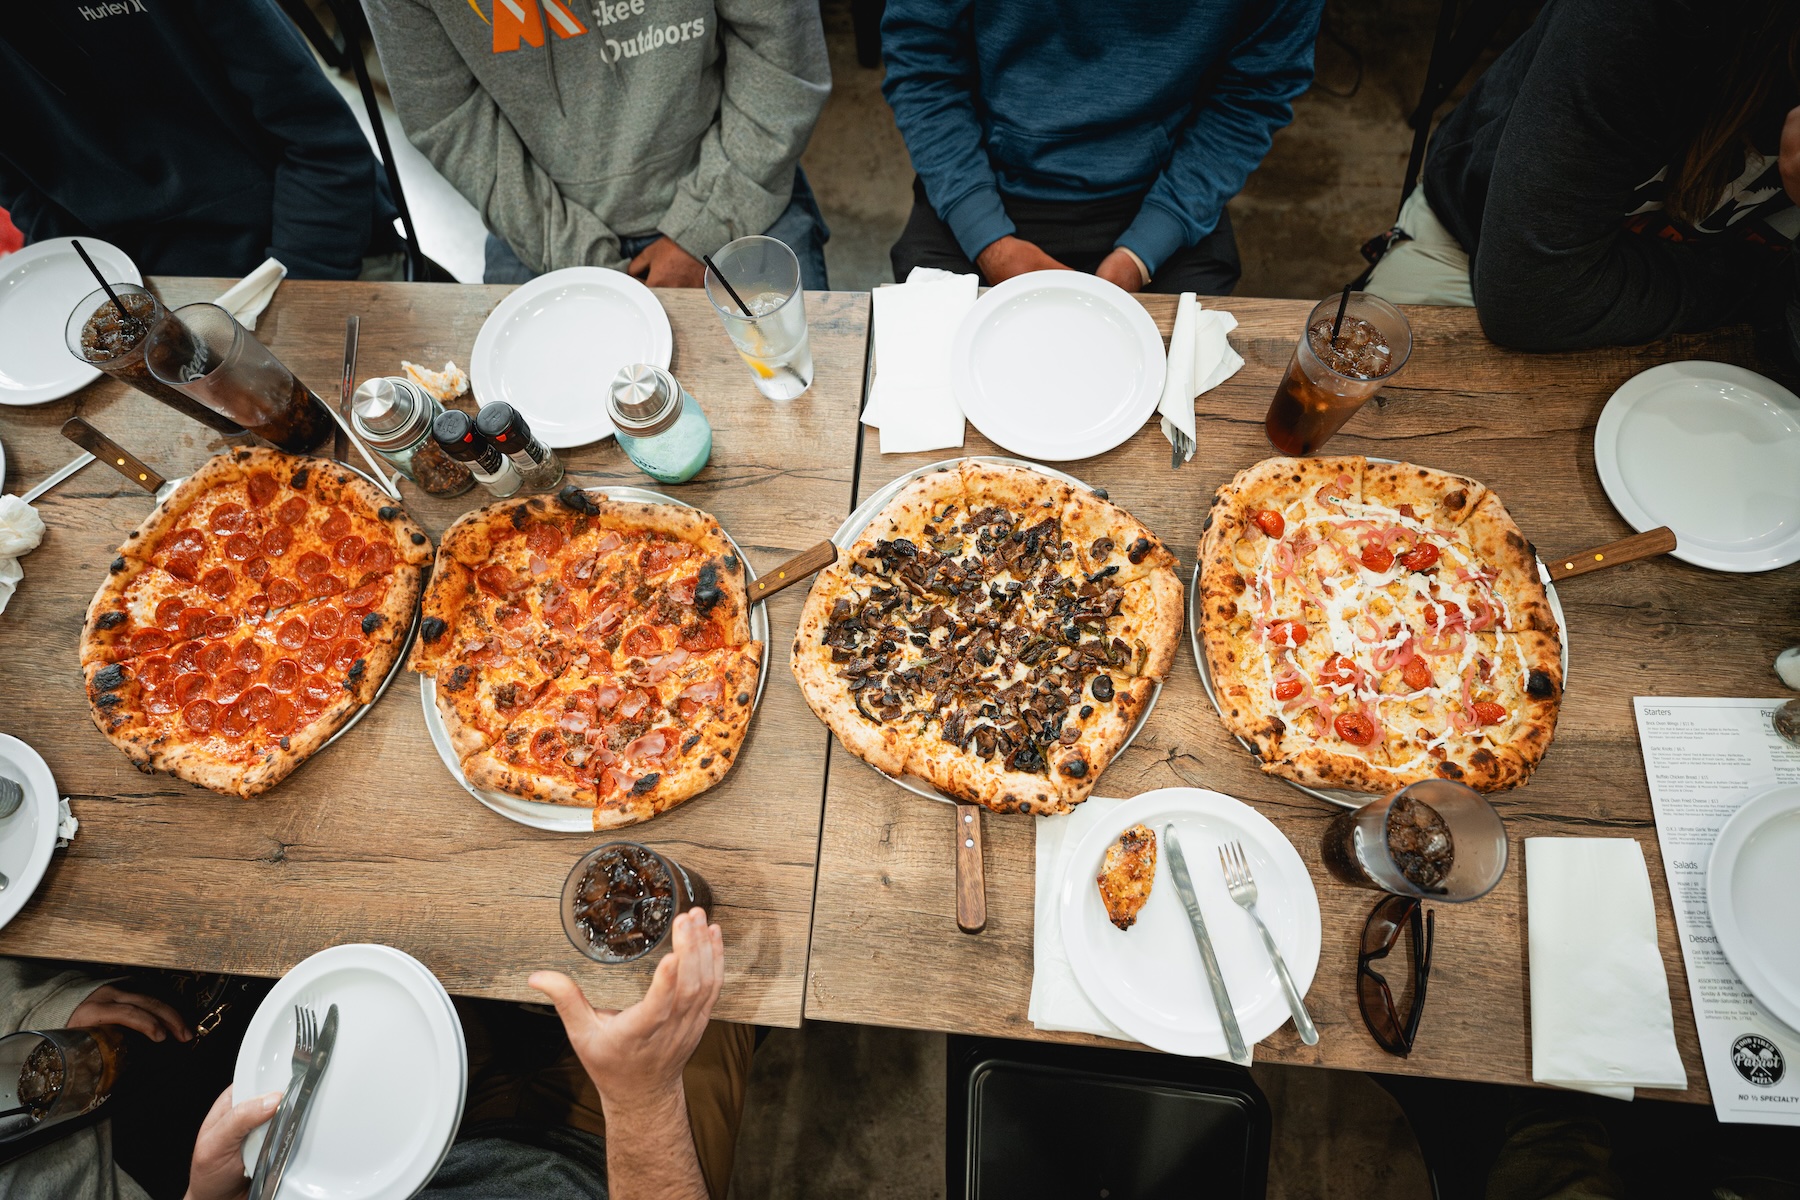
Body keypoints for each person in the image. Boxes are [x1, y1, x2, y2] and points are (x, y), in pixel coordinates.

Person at [0, 908, 748, 1200]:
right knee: (725, 961)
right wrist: (642, 1098)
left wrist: (209, 1192)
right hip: (605, 1159)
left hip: (392, 1132)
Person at [1364, 0, 1800, 357]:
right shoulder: (1652, 19)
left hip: (1669, 299)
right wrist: (1766, 287)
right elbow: (1528, 302)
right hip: (1474, 247)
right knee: (1363, 401)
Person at [361, 0, 831, 289]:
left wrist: (702, 230)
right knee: (534, 447)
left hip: (731, 173)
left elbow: (782, 62)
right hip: (543, 220)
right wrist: (579, 257)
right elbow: (448, 119)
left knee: (801, 409)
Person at [880, 0, 1326, 296]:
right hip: (989, 174)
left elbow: (1253, 94)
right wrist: (990, 241)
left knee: (1189, 413)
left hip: (1163, 186)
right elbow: (924, 63)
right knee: (928, 391)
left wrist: (1141, 253)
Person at [0, 0, 404, 281]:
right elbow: (30, 201)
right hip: (143, 292)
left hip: (314, 246)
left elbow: (322, 140)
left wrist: (297, 277)